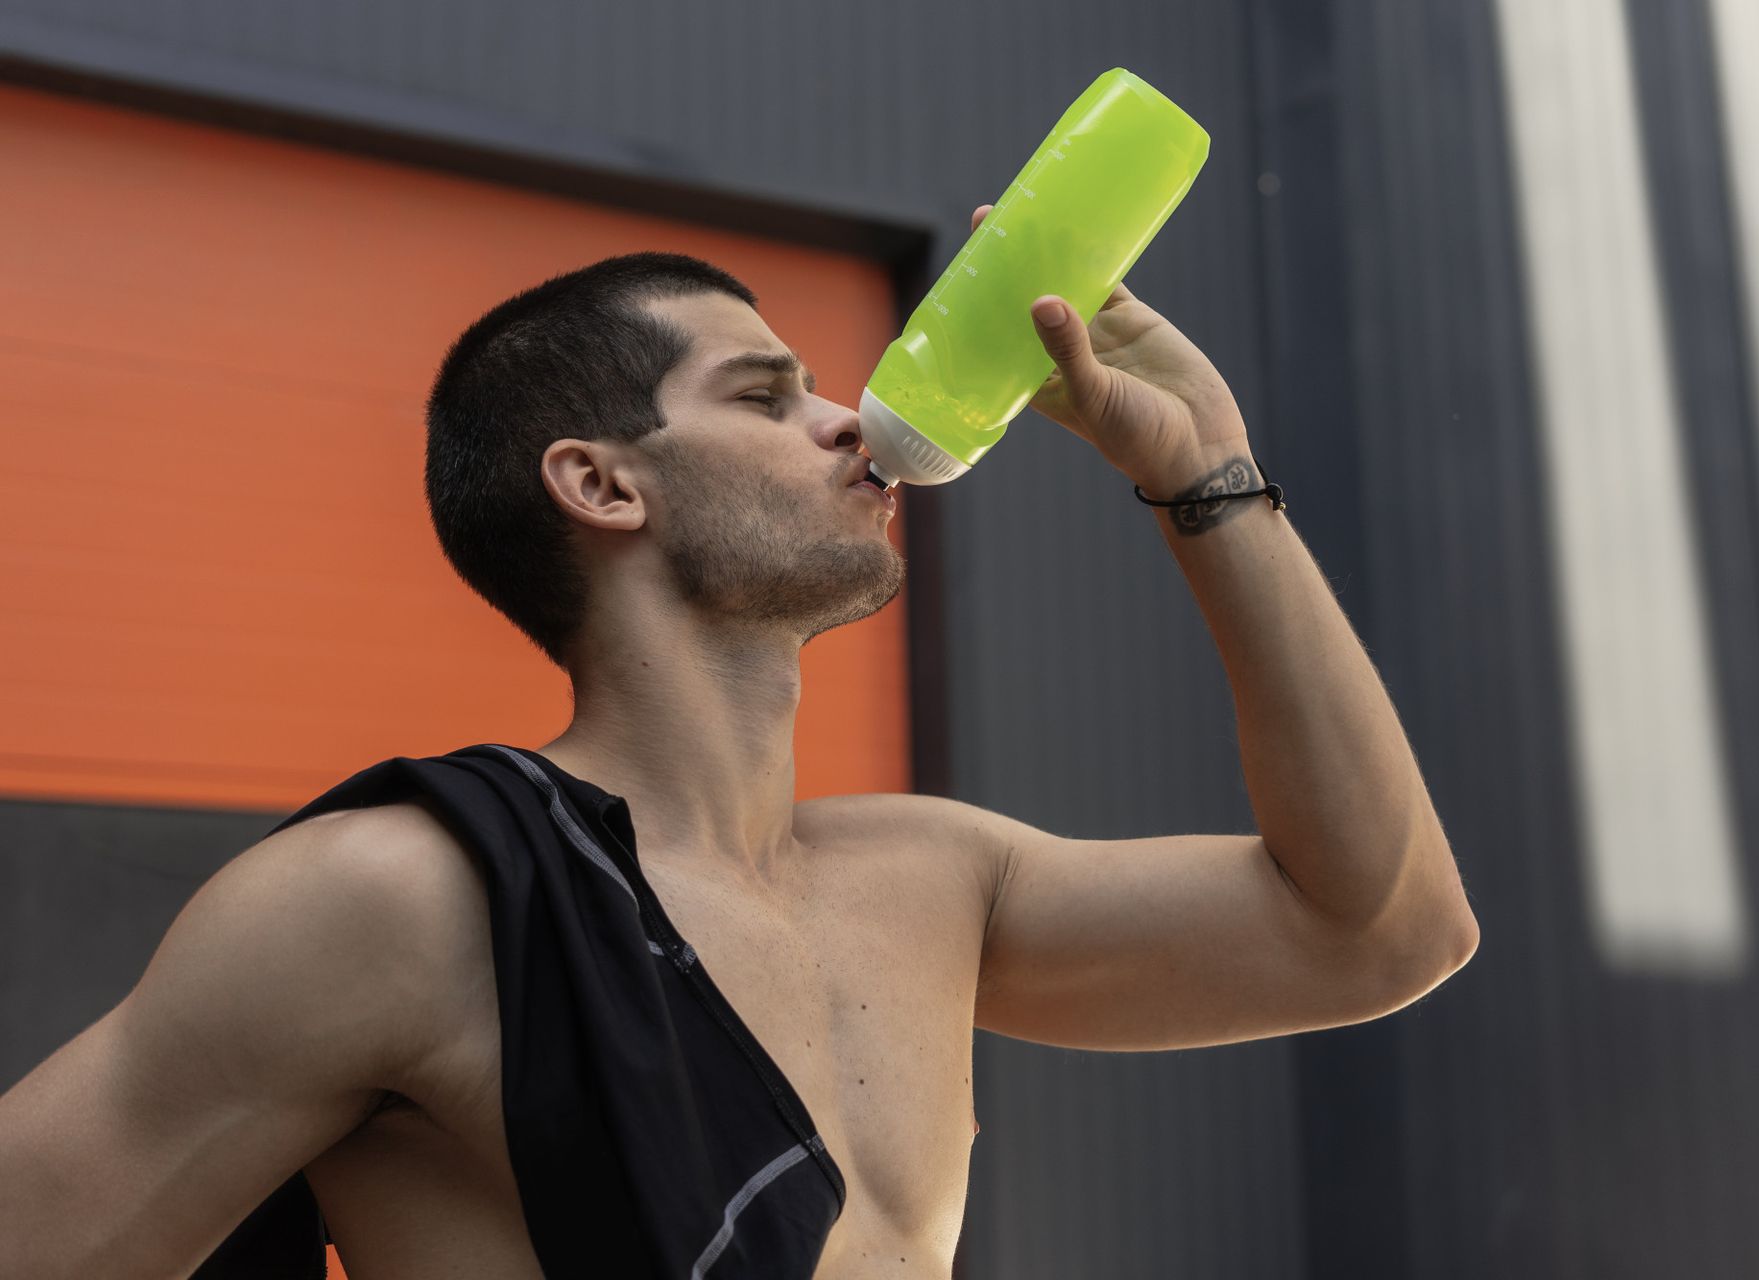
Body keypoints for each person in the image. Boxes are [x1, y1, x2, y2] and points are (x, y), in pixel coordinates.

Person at [0, 203, 1478, 1279]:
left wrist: (1205, 470)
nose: (850, 424)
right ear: (598, 483)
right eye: (769, 396)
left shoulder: (933, 876)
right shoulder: (401, 903)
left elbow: (1381, 929)